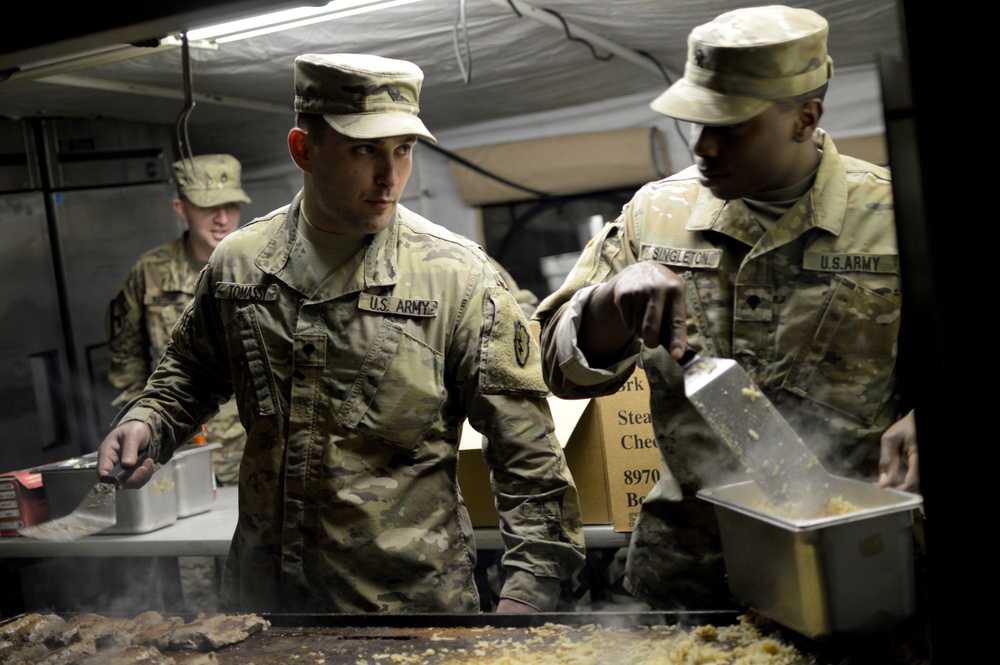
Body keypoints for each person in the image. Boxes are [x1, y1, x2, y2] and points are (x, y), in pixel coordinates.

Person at [98, 52, 585, 614]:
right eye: (364, 150)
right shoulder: (240, 267)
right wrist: (147, 422)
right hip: (265, 609)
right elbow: (188, 372)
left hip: (410, 614)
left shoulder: (456, 277)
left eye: (402, 150)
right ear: (304, 149)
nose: (390, 177)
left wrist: (528, 593)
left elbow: (526, 452)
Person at [533, 5, 916, 610]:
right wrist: (610, 298)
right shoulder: (653, 215)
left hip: (858, 570)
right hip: (692, 578)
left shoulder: (898, 218)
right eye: (694, 122)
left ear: (804, 118)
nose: (703, 145)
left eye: (731, 126)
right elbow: (557, 372)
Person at [107, 153, 251, 487]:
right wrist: (142, 425)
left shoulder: (257, 266)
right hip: (175, 452)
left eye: (231, 205)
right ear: (181, 208)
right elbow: (125, 359)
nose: (222, 218)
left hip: (248, 454)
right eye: (207, 207)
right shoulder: (151, 272)